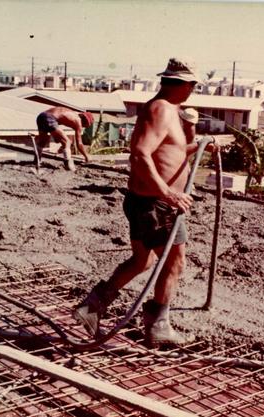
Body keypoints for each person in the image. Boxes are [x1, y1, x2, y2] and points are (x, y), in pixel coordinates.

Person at [73, 58, 212, 347]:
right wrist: (168, 193)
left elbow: (168, 151)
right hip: (157, 205)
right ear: (184, 85)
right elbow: (140, 153)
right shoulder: (161, 109)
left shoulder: (167, 109)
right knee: (174, 263)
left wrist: (197, 146)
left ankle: (93, 306)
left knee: (144, 260)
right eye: (193, 85)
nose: (193, 90)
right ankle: (158, 326)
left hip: (147, 202)